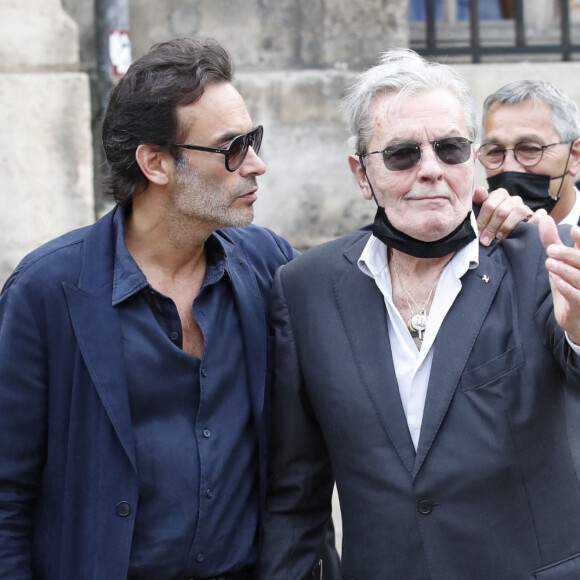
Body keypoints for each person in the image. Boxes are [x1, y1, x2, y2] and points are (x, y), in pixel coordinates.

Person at [0, 38, 529, 580]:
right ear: (155, 163)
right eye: (231, 147)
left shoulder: (270, 266)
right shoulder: (48, 292)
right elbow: (7, 497)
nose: (257, 163)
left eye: (253, 139)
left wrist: (489, 218)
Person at [258, 48, 580, 580]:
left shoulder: (543, 258)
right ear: (362, 174)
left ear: (471, 158)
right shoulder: (306, 288)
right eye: (403, 154)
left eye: (450, 149)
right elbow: (297, 491)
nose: (431, 169)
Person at [480, 79, 580, 224]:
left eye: (529, 149)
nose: (509, 167)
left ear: (574, 155)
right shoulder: (472, 238)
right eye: (495, 151)